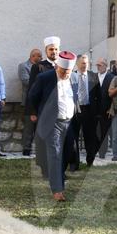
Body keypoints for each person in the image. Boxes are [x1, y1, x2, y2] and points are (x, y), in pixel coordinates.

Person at [27, 50, 78, 202]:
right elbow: (32, 96)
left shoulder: (73, 78)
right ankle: (57, 189)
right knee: (55, 154)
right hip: (52, 123)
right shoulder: (45, 78)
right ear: (57, 68)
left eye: (68, 72)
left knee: (68, 152)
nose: (65, 74)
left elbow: (74, 97)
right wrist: (37, 113)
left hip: (68, 122)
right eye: (63, 71)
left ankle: (59, 179)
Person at [29, 36, 60, 175]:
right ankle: (45, 168)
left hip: (60, 111)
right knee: (43, 140)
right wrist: (33, 111)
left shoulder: (63, 66)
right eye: (51, 49)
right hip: (43, 110)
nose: (54, 52)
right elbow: (32, 91)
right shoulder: (38, 67)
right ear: (46, 50)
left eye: (56, 49)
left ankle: (59, 168)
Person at [72, 54, 100, 167]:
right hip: (75, 110)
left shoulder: (93, 76)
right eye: (83, 63)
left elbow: (98, 95)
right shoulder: (72, 76)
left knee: (90, 136)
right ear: (77, 64)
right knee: (74, 137)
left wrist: (98, 112)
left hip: (89, 110)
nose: (85, 65)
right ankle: (74, 163)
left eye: (87, 63)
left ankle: (90, 160)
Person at [18, 48, 42, 156]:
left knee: (40, 126)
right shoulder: (23, 66)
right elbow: (26, 81)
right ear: (33, 56)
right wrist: (41, 82)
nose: (40, 58)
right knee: (29, 126)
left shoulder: (43, 67)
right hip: (29, 100)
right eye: (38, 56)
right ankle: (26, 149)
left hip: (41, 101)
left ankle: (39, 149)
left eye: (41, 56)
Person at [95, 58, 114, 159]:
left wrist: (111, 108)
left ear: (105, 66)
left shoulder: (111, 77)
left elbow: (114, 96)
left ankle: (102, 152)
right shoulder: (93, 76)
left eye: (100, 65)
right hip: (95, 110)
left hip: (106, 110)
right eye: (97, 65)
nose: (98, 67)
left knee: (104, 132)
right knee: (95, 131)